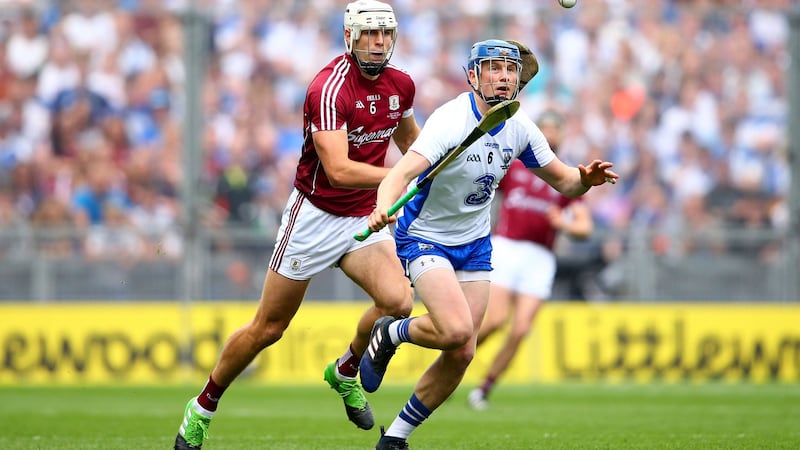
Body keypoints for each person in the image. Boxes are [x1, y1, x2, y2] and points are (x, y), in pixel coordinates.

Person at [174, 1, 419, 448]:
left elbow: (411, 144)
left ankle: (346, 369)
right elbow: (339, 170)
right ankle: (203, 405)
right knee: (268, 327)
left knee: (399, 302)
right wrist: (401, 175)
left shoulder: (401, 84)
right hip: (315, 216)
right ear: (350, 37)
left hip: (364, 215)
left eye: (385, 33)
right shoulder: (328, 88)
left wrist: (432, 163)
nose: (379, 42)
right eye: (369, 34)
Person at [359, 39, 618, 449]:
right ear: (473, 76)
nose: (503, 76)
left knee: (463, 353)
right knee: (456, 329)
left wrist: (585, 179)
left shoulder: (520, 127)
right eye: (493, 68)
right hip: (426, 237)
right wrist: (382, 207)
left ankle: (395, 439)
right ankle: (392, 333)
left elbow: (565, 181)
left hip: (475, 243)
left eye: (510, 70)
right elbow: (399, 174)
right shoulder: (450, 120)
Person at [466, 109, 594, 411]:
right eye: (544, 128)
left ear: (562, 135)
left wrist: (564, 224)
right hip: (507, 247)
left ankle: (484, 388)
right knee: (495, 320)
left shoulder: (567, 175)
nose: (549, 134)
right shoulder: (517, 164)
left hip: (540, 257)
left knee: (521, 329)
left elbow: (584, 227)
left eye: (554, 129)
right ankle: (455, 360)